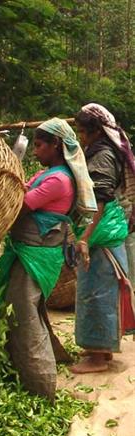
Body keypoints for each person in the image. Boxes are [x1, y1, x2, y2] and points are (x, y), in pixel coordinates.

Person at [0, 118, 97, 400]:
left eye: (40, 145)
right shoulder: (49, 173)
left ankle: (40, 387)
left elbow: (21, 205)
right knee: (25, 309)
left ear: (56, 146)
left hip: (36, 254)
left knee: (26, 314)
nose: (36, 151)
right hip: (30, 251)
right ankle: (22, 371)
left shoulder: (58, 179)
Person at [71, 103, 135, 374]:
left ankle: (98, 358)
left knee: (98, 293)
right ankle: (100, 348)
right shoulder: (103, 150)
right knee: (95, 289)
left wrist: (85, 236)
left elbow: (101, 198)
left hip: (103, 232)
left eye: (83, 132)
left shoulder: (103, 155)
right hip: (108, 231)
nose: (81, 137)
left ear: (97, 131)